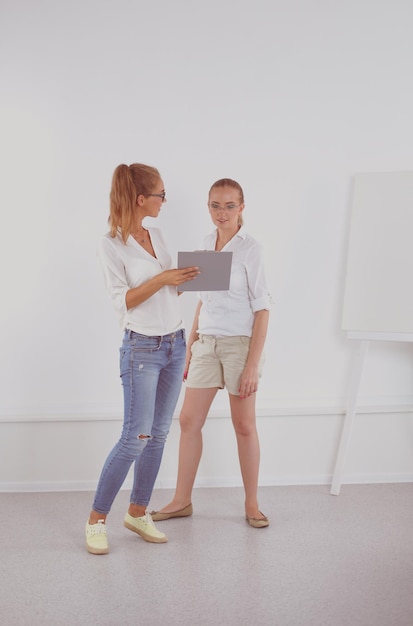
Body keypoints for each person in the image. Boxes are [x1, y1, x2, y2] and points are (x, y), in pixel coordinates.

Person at [85, 163, 199, 555]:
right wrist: (164, 279)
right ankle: (96, 519)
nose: (165, 201)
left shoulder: (158, 234)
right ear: (140, 199)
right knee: (135, 437)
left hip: (174, 342)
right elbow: (125, 301)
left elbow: (167, 291)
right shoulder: (110, 244)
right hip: (142, 348)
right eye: (161, 195)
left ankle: (137, 512)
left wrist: (185, 280)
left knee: (160, 435)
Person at [152, 178, 271, 528]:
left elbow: (263, 310)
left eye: (229, 205)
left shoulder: (252, 249)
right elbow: (203, 301)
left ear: (242, 208)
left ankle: (252, 503)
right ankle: (181, 500)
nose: (222, 213)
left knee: (244, 424)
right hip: (206, 343)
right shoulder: (206, 245)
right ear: (208, 207)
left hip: (239, 345)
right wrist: (190, 346)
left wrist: (252, 365)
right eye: (215, 205)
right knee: (189, 420)